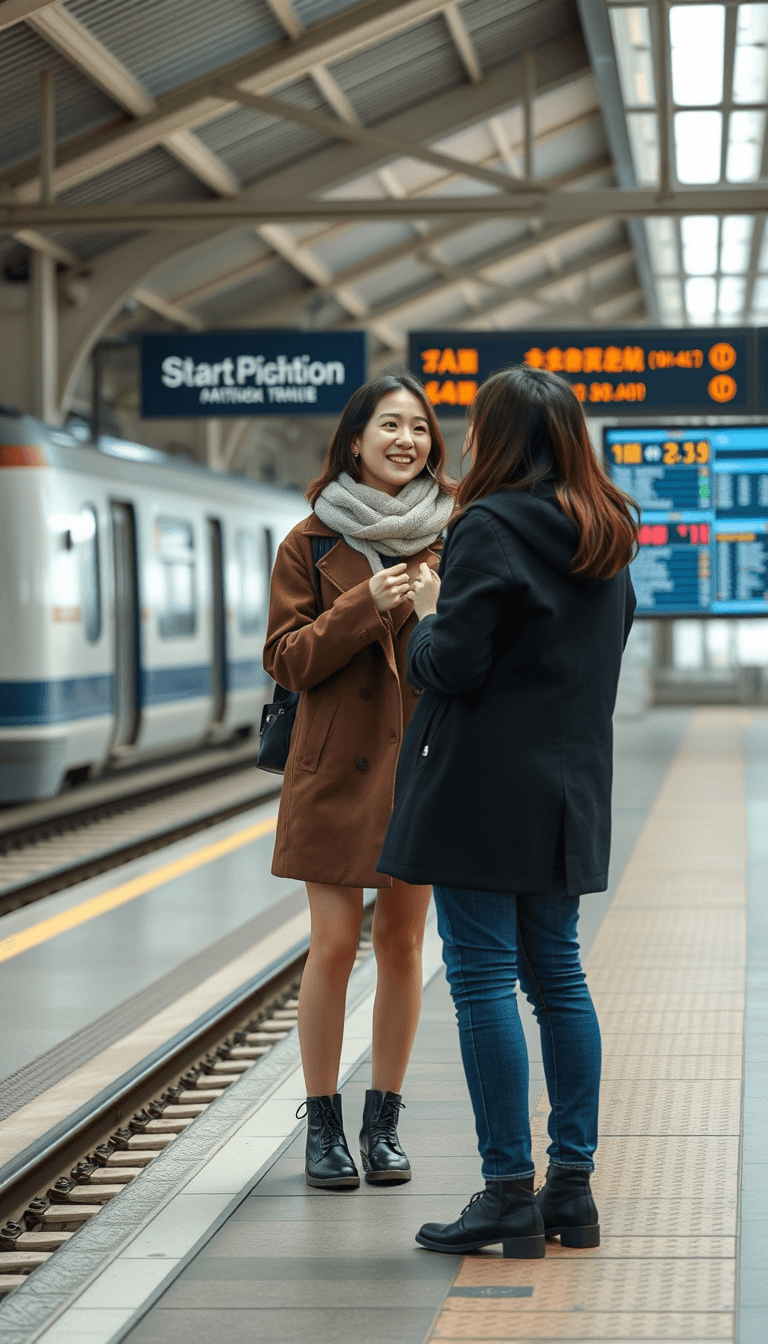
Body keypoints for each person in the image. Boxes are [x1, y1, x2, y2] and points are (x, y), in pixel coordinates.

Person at [378, 365, 637, 1257]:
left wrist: (426, 615)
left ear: (495, 439)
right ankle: (572, 1189)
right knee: (558, 978)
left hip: (485, 793)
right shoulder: (608, 531)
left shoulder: (486, 528)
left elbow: (452, 666)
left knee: (484, 980)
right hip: (570, 792)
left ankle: (504, 1194)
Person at [263, 372, 455, 1190]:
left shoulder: (456, 539)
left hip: (420, 766)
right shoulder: (308, 542)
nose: (406, 439)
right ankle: (323, 1127)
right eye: (389, 425)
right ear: (353, 441)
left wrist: (436, 613)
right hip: (333, 774)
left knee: (405, 944)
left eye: (419, 427)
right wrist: (361, 606)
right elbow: (286, 659)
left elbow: (472, 660)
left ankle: (384, 1122)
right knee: (335, 945)